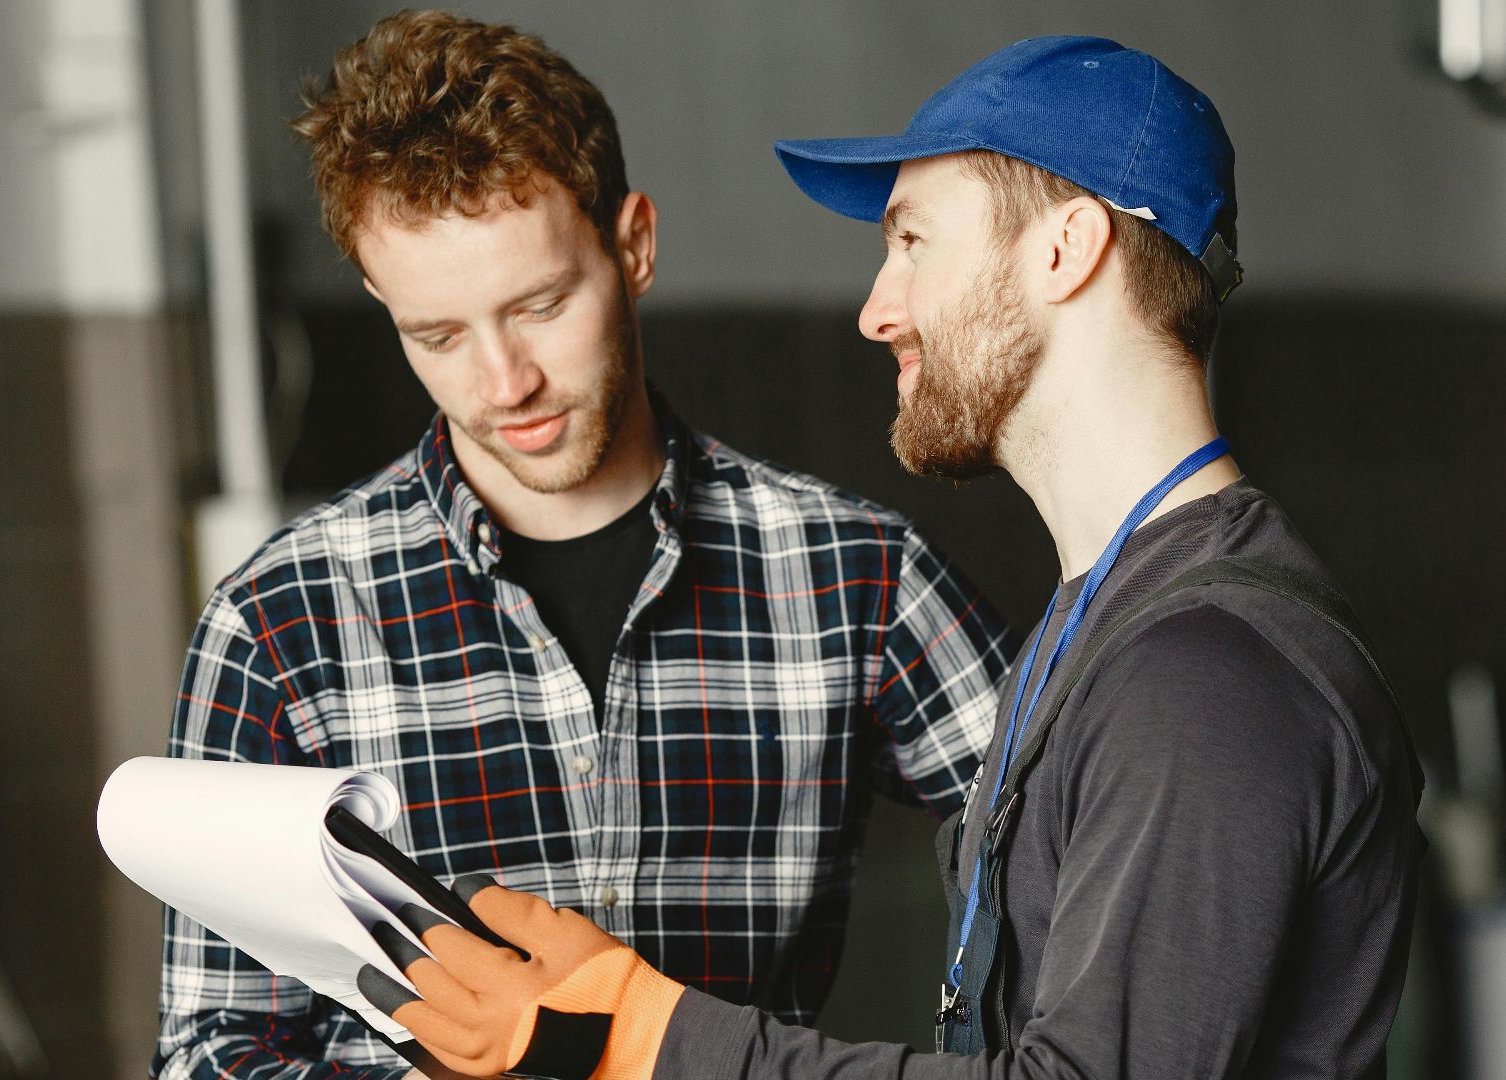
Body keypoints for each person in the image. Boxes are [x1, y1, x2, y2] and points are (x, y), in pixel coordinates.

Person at [359, 34, 1425, 1080]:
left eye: (912, 241)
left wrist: (648, 1033)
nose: (877, 311)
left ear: (1067, 248)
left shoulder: (1204, 679)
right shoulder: (1101, 627)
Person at [152, 12, 1018, 1080]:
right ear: (383, 304)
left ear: (634, 245)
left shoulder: (854, 575)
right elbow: (209, 1052)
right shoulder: (278, 625)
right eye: (439, 335)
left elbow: (1080, 851)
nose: (502, 381)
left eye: (541, 305)